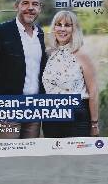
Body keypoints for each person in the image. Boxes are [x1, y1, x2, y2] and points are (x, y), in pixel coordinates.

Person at [0, 0, 47, 139]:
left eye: (35, 4)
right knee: (9, 151)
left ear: (40, 8)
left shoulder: (40, 33)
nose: (30, 8)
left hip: (35, 107)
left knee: (30, 151)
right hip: (9, 107)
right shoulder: (0, 32)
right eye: (25, 3)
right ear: (16, 6)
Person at [40, 10, 99, 138]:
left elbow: (93, 91)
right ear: (54, 28)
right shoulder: (49, 54)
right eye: (58, 24)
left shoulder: (82, 55)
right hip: (51, 116)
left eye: (67, 25)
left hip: (76, 116)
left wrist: (94, 123)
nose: (62, 29)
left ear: (74, 29)